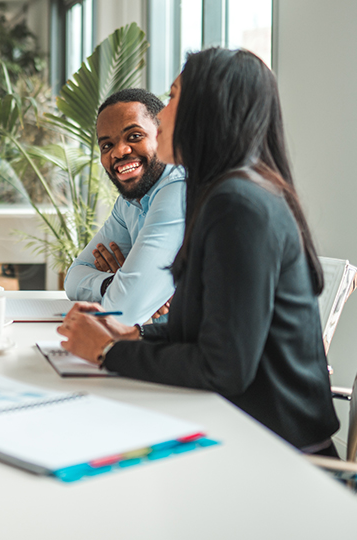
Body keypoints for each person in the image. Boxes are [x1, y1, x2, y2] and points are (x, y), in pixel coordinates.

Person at [57, 48, 340, 456]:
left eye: (172, 98)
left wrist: (109, 352)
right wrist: (134, 333)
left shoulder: (237, 204)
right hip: (246, 427)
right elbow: (216, 326)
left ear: (207, 112)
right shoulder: (227, 193)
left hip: (277, 453)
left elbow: (223, 367)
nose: (163, 114)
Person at [63, 89, 186, 325]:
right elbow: (73, 277)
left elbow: (122, 311)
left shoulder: (179, 189)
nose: (119, 152)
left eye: (134, 136)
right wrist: (114, 283)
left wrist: (131, 291)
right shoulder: (129, 202)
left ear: (163, 134)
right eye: (107, 145)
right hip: (160, 345)